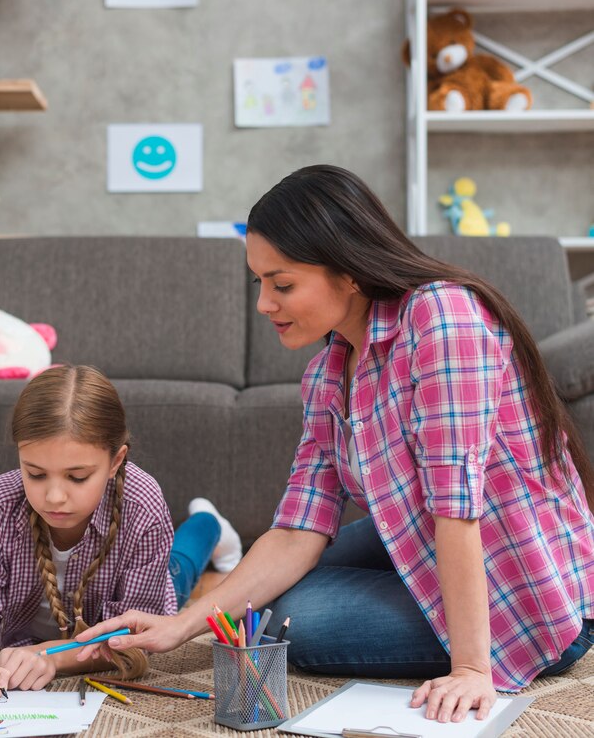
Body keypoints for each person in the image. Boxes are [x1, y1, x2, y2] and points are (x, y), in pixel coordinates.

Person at [76, 165, 594, 724]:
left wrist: (472, 668)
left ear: (349, 273)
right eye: (260, 284)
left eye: (283, 284)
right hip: (417, 532)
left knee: (295, 618)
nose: (264, 305)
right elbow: (299, 527)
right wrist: (181, 624)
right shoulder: (327, 373)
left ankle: (461, 623)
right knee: (255, 605)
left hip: (526, 591)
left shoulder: (443, 318)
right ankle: (410, 589)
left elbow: (457, 509)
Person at [0, 364, 241, 699]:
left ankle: (210, 523)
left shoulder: (142, 505)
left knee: (180, 567)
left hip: (148, 594)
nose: (53, 497)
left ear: (115, 462)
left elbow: (131, 637)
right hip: (26, 640)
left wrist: (53, 656)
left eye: (77, 477)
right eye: (35, 474)